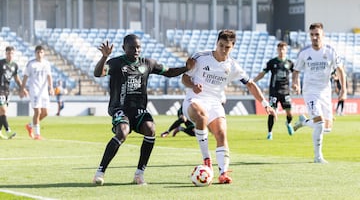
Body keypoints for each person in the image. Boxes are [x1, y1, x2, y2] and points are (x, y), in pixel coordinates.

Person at [92, 35, 194, 186]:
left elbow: (169, 72)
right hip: (120, 108)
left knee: (150, 128)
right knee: (122, 132)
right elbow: (97, 73)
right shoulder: (115, 63)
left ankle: (139, 174)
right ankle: (99, 173)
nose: (136, 50)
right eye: (132, 47)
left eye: (138, 47)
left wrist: (186, 68)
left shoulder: (148, 63)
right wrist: (104, 57)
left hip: (139, 110)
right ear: (124, 48)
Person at [182, 29, 277, 184]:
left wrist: (265, 104)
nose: (223, 49)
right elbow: (184, 78)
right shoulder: (200, 57)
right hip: (195, 99)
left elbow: (250, 84)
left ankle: (223, 173)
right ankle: (207, 161)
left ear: (233, 47)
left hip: (215, 102)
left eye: (227, 47)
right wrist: (193, 85)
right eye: (221, 45)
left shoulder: (232, 66)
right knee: (201, 116)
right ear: (216, 43)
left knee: (221, 134)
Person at [292, 23, 347, 164]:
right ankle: (318, 157)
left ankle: (304, 122)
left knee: (327, 128)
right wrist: (296, 83)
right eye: (312, 34)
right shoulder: (304, 53)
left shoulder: (330, 51)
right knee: (320, 123)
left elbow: (340, 70)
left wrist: (344, 90)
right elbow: (296, 70)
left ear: (323, 35)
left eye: (317, 34)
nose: (314, 37)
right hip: (310, 91)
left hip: (325, 92)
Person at [253, 41, 294, 140]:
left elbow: (295, 74)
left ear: (286, 50)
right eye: (279, 49)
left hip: (285, 91)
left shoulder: (290, 63)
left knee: (289, 112)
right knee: (271, 112)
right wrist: (253, 81)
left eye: (283, 49)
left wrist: (297, 84)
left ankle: (288, 123)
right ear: (277, 50)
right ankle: (270, 133)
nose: (281, 51)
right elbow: (264, 73)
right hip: (274, 92)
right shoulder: (272, 62)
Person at [20, 45, 54, 140]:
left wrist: (51, 88)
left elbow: (49, 76)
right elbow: (25, 77)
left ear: (44, 53)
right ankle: (37, 135)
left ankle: (30, 125)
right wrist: (22, 89)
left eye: (41, 52)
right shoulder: (31, 64)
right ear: (35, 53)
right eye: (38, 52)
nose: (39, 54)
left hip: (44, 92)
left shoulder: (47, 64)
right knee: (37, 111)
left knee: (45, 112)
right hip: (34, 90)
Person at [0, 46, 22, 139]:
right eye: (8, 53)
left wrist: (22, 88)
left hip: (7, 91)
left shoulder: (15, 66)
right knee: (3, 110)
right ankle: (8, 131)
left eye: (12, 53)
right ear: (6, 54)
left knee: (2, 112)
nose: (10, 55)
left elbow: (16, 78)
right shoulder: (1, 63)